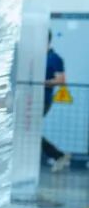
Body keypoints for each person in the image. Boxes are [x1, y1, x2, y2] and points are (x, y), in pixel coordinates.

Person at [43, 30, 71, 172]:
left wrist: (43, 83)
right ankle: (58, 155)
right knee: (28, 131)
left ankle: (58, 155)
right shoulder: (38, 57)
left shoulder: (55, 58)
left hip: (44, 100)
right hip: (32, 99)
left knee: (30, 132)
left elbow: (61, 80)